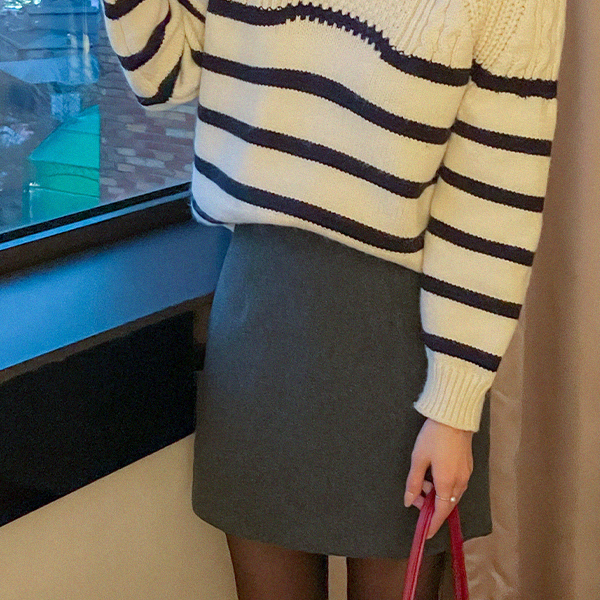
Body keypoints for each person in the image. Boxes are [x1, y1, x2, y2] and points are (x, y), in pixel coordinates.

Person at [102, 0, 567, 597]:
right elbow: (163, 74)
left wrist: (454, 407)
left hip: (402, 343)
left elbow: (493, 198)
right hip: (258, 317)